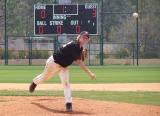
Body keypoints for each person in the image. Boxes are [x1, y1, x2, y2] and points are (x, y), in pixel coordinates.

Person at [29, 31, 96, 112]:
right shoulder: (75, 45)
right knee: (44, 78)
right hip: (54, 62)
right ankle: (34, 82)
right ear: (79, 37)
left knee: (66, 83)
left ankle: (69, 104)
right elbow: (79, 62)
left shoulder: (79, 48)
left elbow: (76, 58)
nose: (84, 39)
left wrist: (80, 54)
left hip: (64, 66)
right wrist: (90, 73)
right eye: (83, 37)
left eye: (86, 38)